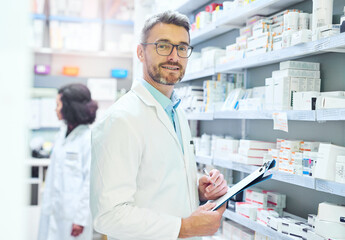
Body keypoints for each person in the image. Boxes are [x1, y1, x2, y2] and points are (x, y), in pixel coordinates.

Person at [90, 11, 228, 240]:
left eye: (182, 48)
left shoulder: (177, 113)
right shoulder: (120, 119)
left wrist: (198, 189)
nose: (174, 56)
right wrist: (185, 227)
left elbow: (157, 182)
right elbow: (108, 215)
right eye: (163, 46)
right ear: (140, 52)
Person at [38, 83, 98, 240]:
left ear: (69, 107)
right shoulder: (62, 134)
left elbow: (90, 183)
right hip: (54, 209)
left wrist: (80, 218)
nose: (55, 109)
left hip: (74, 217)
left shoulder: (88, 139)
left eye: (58, 104)